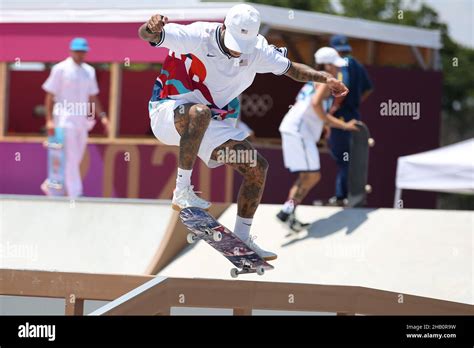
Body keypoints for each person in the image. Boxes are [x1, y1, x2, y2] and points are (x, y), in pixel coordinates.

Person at [138, 4, 348, 260]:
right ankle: (182, 191)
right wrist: (150, 28)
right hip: (167, 113)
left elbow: (292, 69)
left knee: (256, 167)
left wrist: (324, 78)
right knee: (200, 113)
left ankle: (243, 238)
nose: (237, 51)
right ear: (224, 27)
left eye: (242, 45)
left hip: (207, 124)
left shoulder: (258, 49)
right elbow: (150, 36)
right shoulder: (198, 36)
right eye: (234, 43)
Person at [277, 47, 358, 230]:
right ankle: (286, 211)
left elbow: (315, 107)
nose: (338, 70)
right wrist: (344, 126)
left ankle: (287, 213)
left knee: (307, 176)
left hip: (294, 129)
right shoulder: (323, 78)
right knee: (312, 175)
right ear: (327, 65)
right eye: (336, 66)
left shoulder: (317, 77)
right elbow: (315, 104)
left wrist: (326, 125)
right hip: (299, 131)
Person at [41, 38, 109, 198]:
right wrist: (49, 120)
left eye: (83, 51)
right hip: (64, 119)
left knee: (76, 157)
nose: (80, 54)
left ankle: (49, 184)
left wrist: (103, 116)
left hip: (82, 121)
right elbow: (50, 95)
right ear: (71, 51)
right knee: (71, 157)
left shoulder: (89, 71)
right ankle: (76, 193)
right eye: (78, 51)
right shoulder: (60, 69)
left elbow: (93, 96)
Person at [327, 35, 373, 206]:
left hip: (341, 116)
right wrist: (355, 102)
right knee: (350, 157)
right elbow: (368, 89)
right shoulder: (358, 64)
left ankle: (341, 196)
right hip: (354, 115)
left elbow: (342, 85)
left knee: (343, 158)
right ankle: (348, 196)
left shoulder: (341, 63)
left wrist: (333, 108)